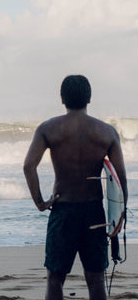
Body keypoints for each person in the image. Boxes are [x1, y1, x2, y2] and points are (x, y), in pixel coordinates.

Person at [23, 75, 128, 300]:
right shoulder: (107, 132)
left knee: (55, 278)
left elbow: (28, 166)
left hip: (63, 210)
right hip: (94, 212)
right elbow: (120, 178)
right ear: (89, 98)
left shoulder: (48, 128)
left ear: (62, 98)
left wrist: (41, 203)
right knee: (96, 279)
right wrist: (120, 216)